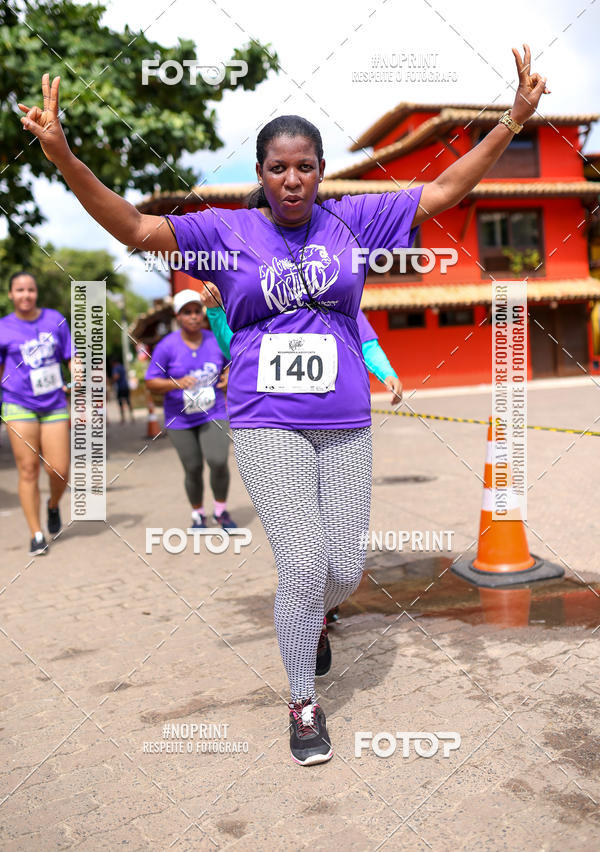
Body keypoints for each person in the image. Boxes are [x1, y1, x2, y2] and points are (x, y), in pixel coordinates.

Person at [19, 46, 548, 764]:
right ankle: (303, 702)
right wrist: (65, 157)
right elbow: (137, 228)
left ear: (320, 170)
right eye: (277, 167)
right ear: (261, 174)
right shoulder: (224, 232)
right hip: (266, 420)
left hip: (347, 423)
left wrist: (511, 120)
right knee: (302, 565)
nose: (292, 179)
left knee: (345, 570)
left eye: (304, 166)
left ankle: (319, 620)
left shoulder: (352, 223)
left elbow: (445, 191)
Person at [199, 280, 403, 402]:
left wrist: (386, 373)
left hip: (336, 411)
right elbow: (235, 350)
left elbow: (366, 344)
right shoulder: (264, 301)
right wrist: (216, 312)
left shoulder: (341, 302)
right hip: (276, 412)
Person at [145, 289, 236, 530]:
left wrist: (227, 375)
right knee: (193, 467)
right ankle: (198, 513)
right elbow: (151, 381)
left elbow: (231, 360)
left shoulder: (214, 338)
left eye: (197, 311)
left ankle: (221, 511)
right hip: (180, 418)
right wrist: (174, 383)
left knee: (217, 461)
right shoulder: (167, 346)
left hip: (213, 411)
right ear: (178, 316)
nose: (194, 316)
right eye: (187, 312)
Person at [0, 272, 72, 555]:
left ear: (36, 293)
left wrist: (77, 372)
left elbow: (70, 355)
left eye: (30, 289)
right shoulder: (3, 327)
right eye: (19, 290)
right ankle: (36, 533)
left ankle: (53, 504)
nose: (25, 295)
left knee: (58, 469)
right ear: (10, 295)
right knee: (27, 469)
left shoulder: (55, 320)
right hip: (18, 403)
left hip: (53, 403)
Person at [111, 358, 134, 423]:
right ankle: (132, 416)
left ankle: (123, 418)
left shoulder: (115, 368)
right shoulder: (122, 366)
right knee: (128, 401)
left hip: (120, 387)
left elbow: (116, 376)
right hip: (126, 386)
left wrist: (112, 381)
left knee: (120, 402)